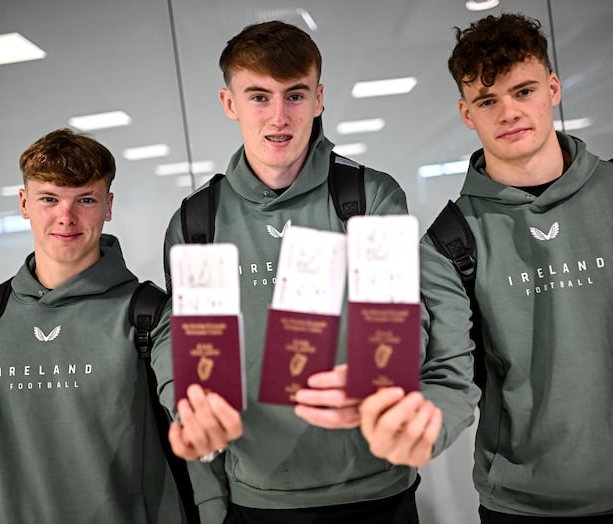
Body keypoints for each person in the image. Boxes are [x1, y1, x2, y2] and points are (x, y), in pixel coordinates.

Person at [154, 19, 478, 524]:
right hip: (258, 498)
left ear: (320, 98)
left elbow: (403, 327)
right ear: (229, 103)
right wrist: (192, 419)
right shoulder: (197, 222)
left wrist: (373, 381)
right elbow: (193, 361)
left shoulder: (368, 198)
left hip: (378, 492)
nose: (278, 117)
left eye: (295, 95)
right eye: (259, 97)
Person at [415, 12, 613, 524]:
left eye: (524, 91)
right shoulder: (450, 242)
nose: (508, 112)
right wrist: (419, 422)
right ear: (466, 113)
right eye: (488, 100)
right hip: (523, 508)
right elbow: (451, 377)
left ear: (553, 88)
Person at [0, 128, 189, 523]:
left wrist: (199, 413)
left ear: (108, 206)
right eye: (49, 199)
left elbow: (186, 395)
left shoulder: (151, 313)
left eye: (85, 200)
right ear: (24, 203)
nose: (66, 217)